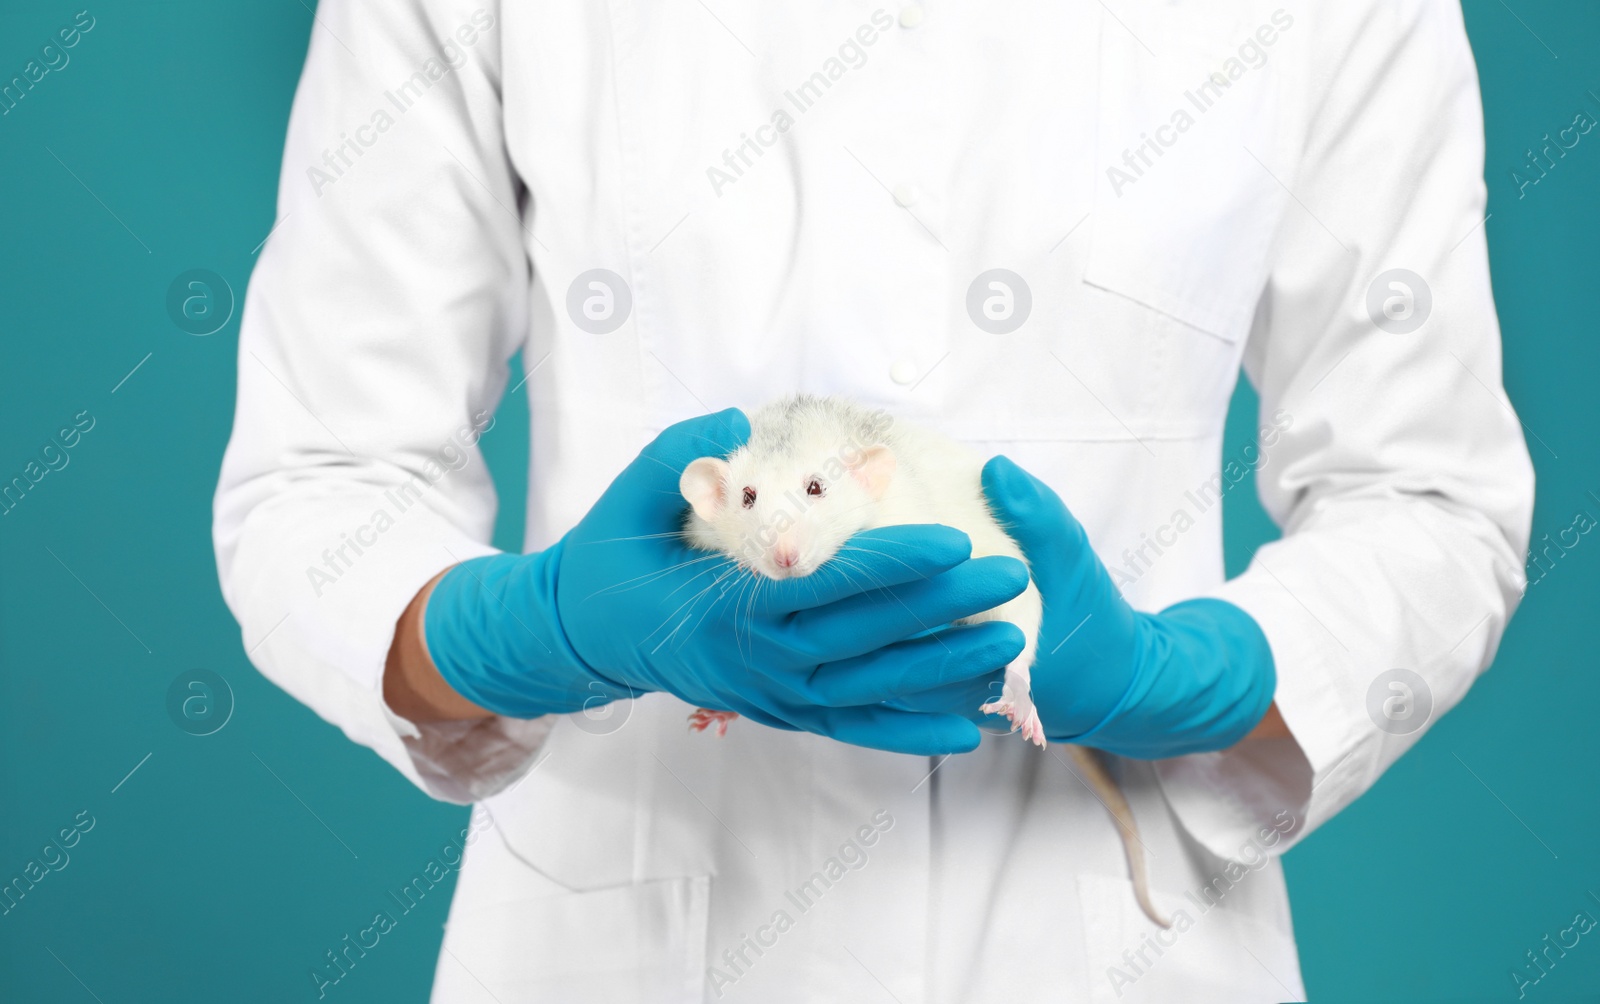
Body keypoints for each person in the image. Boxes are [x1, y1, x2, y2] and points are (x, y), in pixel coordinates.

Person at [213, 0, 1533, 1000]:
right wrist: (526, 629)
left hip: (1109, 944)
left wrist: (1208, 672)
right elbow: (318, 482)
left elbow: (1428, 492)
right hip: (614, 943)